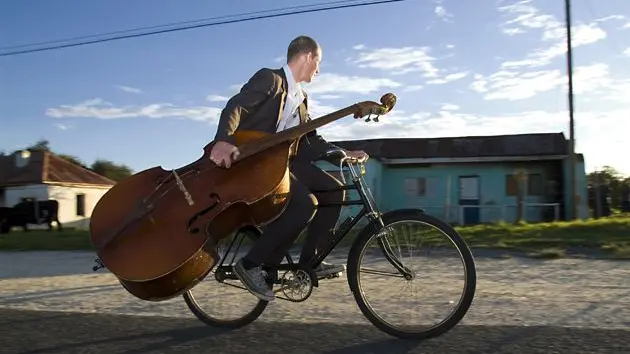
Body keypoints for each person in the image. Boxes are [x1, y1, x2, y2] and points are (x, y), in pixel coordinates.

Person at [209, 35, 368, 302]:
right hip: (255, 163)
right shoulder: (270, 79)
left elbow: (311, 140)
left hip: (284, 164)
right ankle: (250, 264)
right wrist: (223, 140)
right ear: (308, 56)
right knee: (306, 204)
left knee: (334, 190)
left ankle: (310, 263)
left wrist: (344, 154)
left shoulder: (301, 98)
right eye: (318, 62)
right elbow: (235, 106)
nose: (319, 69)